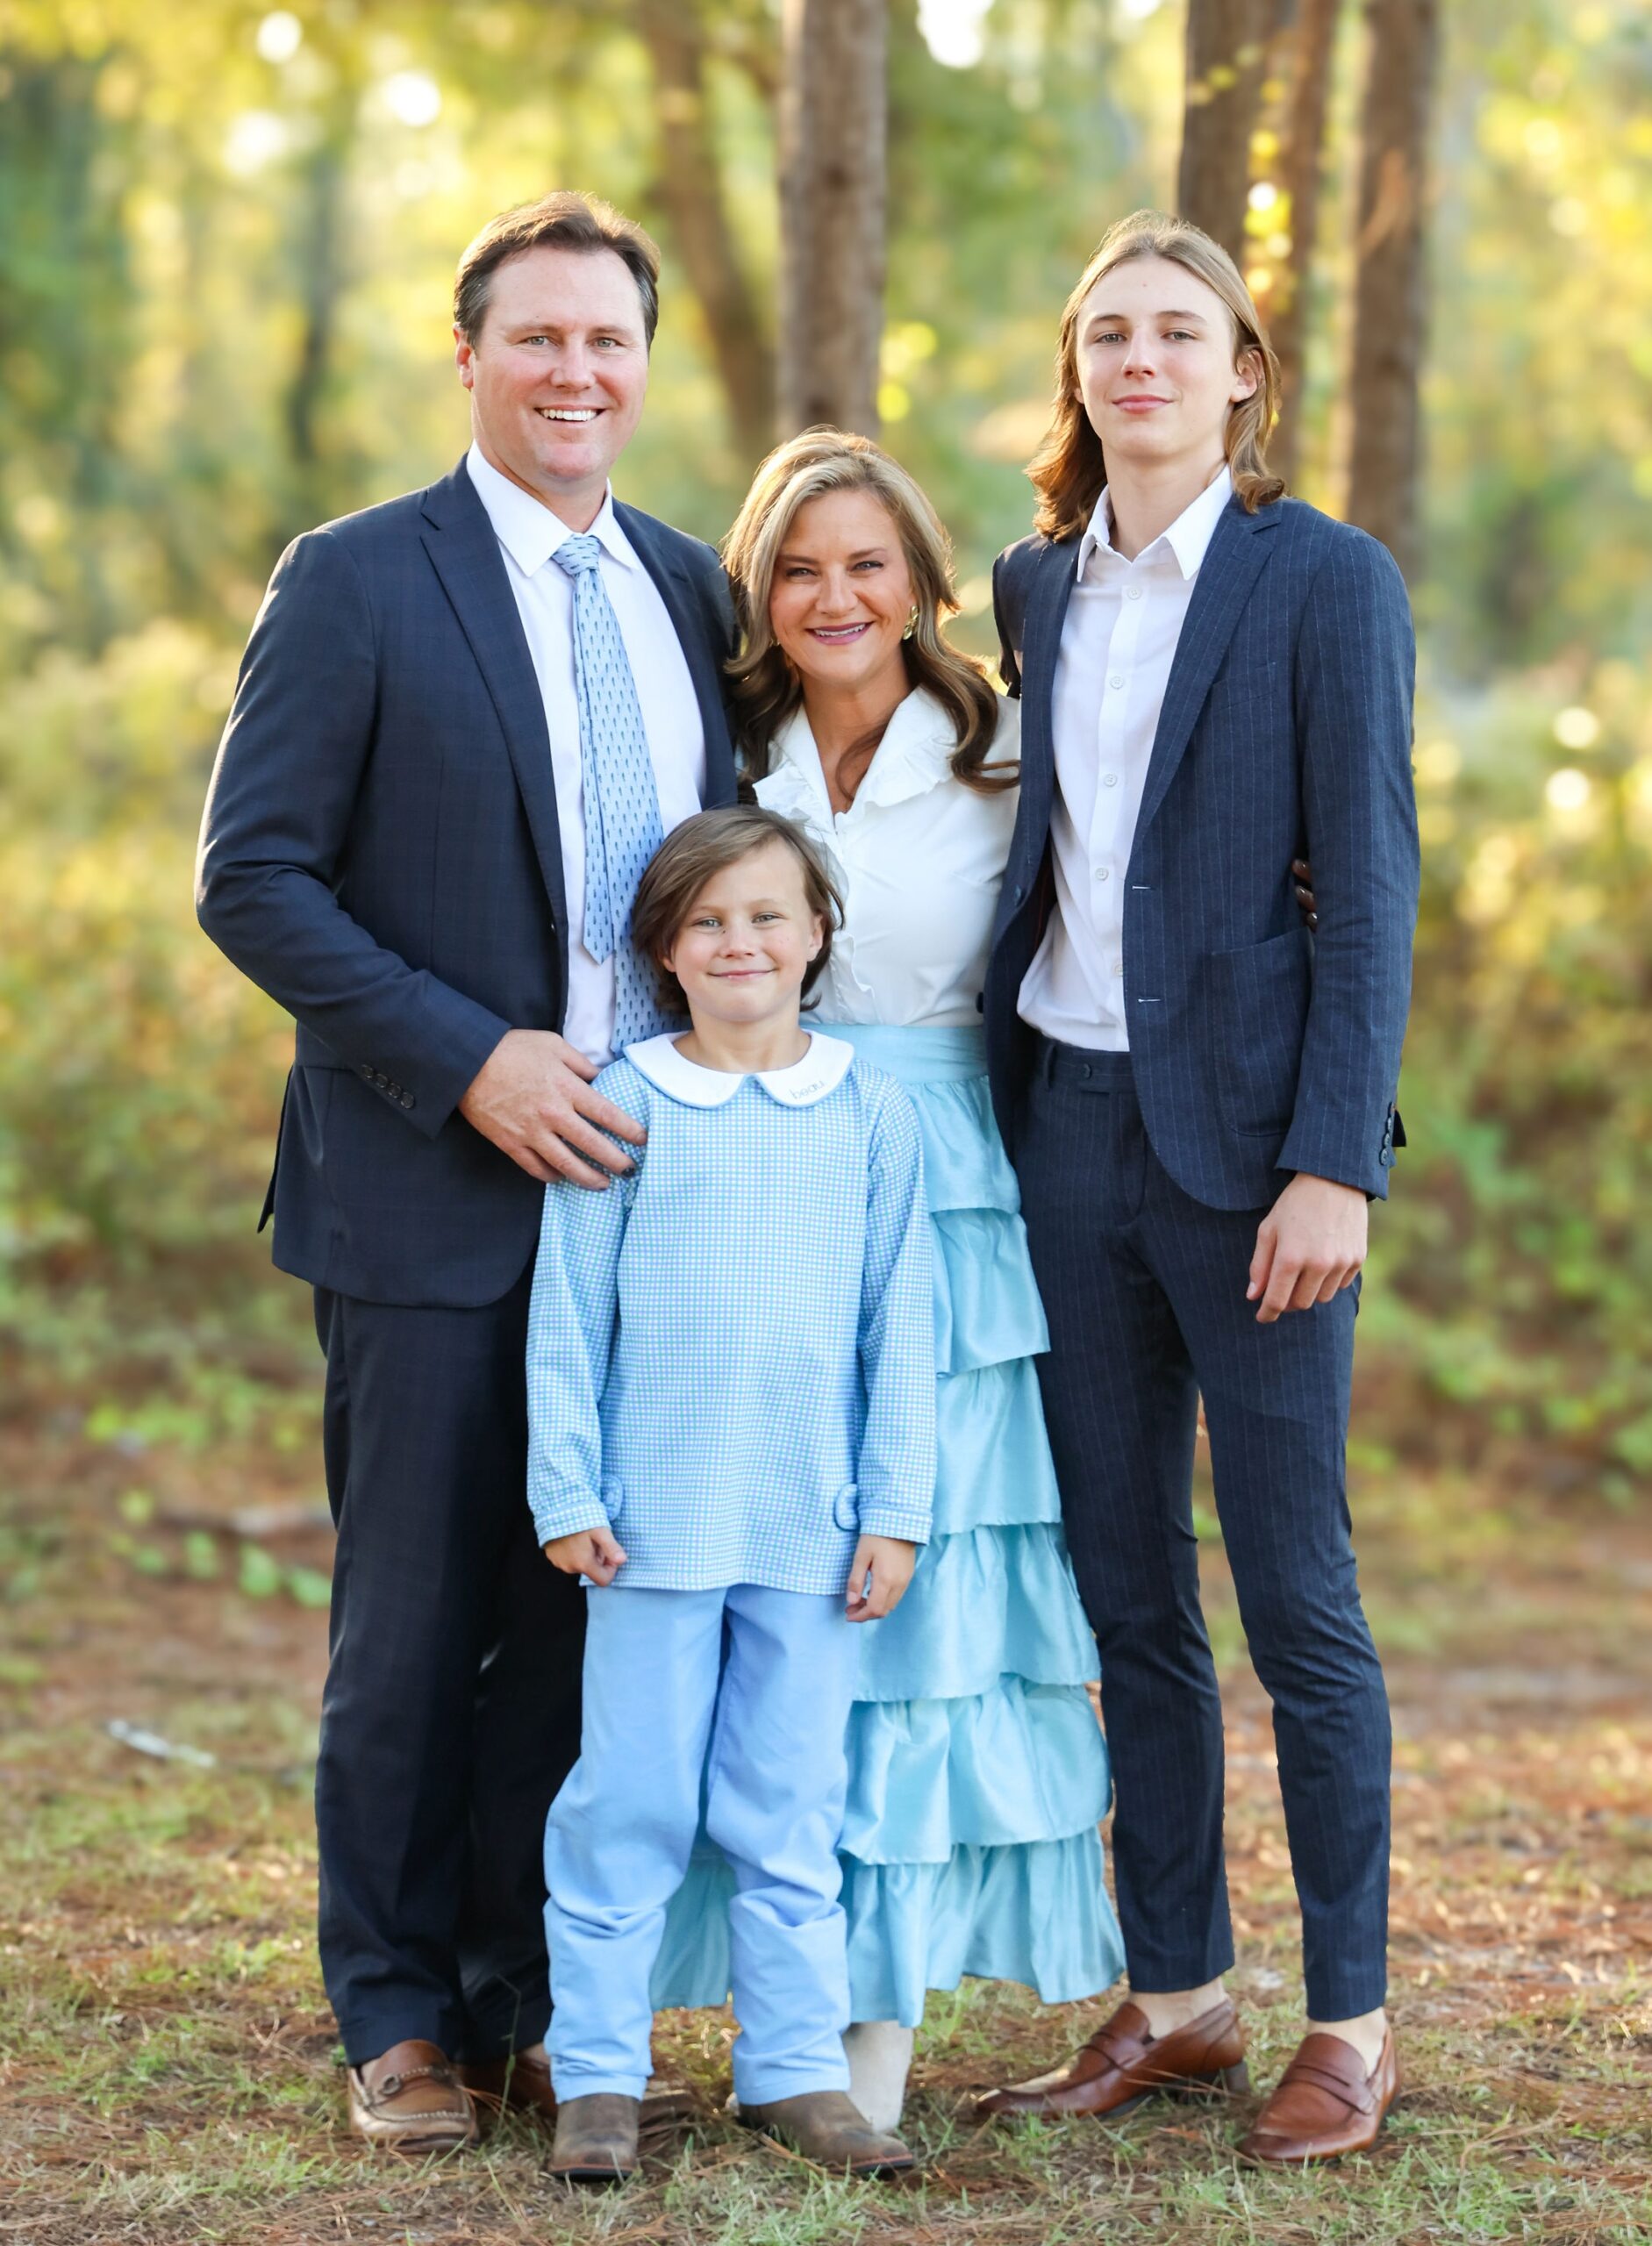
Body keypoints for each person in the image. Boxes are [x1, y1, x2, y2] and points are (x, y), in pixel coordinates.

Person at [195, 192, 737, 2153]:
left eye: (608, 341)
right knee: (414, 1626)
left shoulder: (692, 591)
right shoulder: (356, 578)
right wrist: (469, 1059)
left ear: (643, 366)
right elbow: (252, 878)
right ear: (471, 355)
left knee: (582, 1623)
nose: (575, 372)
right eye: (539, 337)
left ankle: (520, 1998)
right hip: (427, 1189)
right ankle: (399, 2015)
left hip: (649, 1200)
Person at [975, 211, 1419, 2164]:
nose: (1139, 359)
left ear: (1243, 370)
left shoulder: (1324, 579)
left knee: (1298, 1597)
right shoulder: (1032, 587)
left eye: (1179, 330)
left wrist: (1335, 1159)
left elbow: (1371, 884)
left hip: (1254, 1165)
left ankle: (1352, 2021)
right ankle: (1178, 1995)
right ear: (1076, 374)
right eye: (1107, 332)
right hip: (1064, 1133)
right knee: (1128, 1594)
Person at [647, 429, 1126, 2132]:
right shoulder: (723, 754)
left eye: (866, 563)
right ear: (760, 595)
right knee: (751, 1563)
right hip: (744, 1172)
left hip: (941, 1183)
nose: (833, 595)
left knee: (907, 1598)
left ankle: (870, 2035)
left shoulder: (1008, 757)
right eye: (798, 568)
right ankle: (752, 1996)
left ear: (923, 583)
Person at [529, 806, 934, 2183]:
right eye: (706, 921)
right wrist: (565, 1488)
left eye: (767, 915)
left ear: (817, 933)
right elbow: (567, 1314)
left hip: (812, 1527)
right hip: (649, 1528)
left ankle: (795, 2071)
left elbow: (904, 1323)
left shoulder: (872, 1112)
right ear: (665, 949)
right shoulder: (624, 1099)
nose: (738, 942)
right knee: (628, 1802)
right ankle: (598, 2075)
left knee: (789, 1802)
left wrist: (896, 1509)